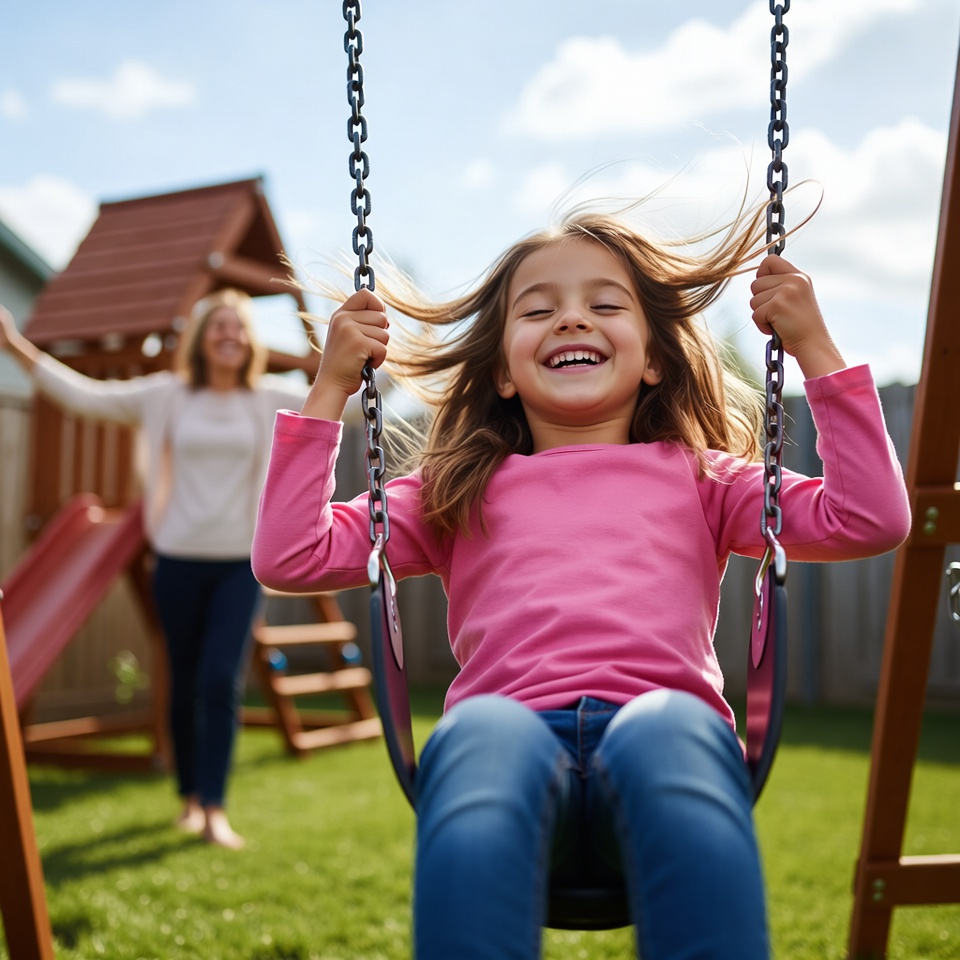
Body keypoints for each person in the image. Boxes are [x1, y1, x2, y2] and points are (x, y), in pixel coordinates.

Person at [251, 208, 911, 958]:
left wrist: (815, 349)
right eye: (538, 310)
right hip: (508, 752)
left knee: (670, 724)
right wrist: (332, 385)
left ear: (654, 358)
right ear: (501, 369)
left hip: (663, 744)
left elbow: (870, 519)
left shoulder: (704, 478)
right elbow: (289, 556)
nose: (571, 321)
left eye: (604, 305)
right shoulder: (454, 490)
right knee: (482, 728)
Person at [0, 290, 310, 850]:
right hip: (177, 560)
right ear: (201, 338)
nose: (229, 336)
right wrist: (14, 346)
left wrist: (389, 361)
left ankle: (215, 807)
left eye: (238, 328)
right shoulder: (165, 396)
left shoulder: (268, 400)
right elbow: (85, 396)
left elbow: (334, 397)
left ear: (250, 341)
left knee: (220, 681)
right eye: (217, 327)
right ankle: (190, 798)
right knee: (184, 681)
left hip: (240, 563)